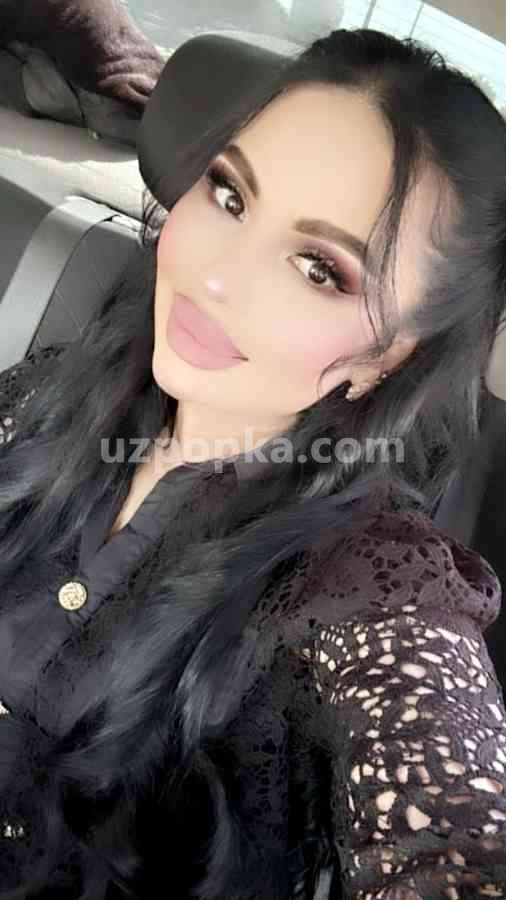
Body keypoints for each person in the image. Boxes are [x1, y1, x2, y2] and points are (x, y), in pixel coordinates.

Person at [0, 26, 506, 900]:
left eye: (319, 268)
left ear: (388, 358)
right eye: (230, 194)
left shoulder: (370, 584)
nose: (215, 277)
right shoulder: (61, 384)